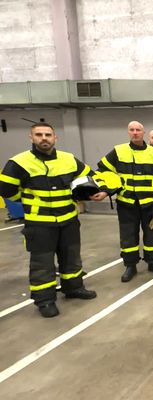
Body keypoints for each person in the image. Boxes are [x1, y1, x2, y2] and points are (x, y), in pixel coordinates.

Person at [0, 122, 99, 318]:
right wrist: (32, 202)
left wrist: (89, 192)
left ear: (55, 138)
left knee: (71, 257)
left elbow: (89, 176)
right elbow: (7, 191)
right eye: (39, 135)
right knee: (42, 262)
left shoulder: (68, 159)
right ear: (32, 138)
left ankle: (73, 288)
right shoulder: (19, 162)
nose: (44, 138)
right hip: (39, 223)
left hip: (69, 219)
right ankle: (44, 300)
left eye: (48, 134)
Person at [97, 121, 153, 282]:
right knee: (128, 236)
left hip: (151, 203)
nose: (135, 132)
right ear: (128, 132)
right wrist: (106, 189)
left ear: (143, 132)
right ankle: (130, 266)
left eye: (138, 130)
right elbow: (102, 170)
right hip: (127, 203)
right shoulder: (118, 151)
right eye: (132, 130)